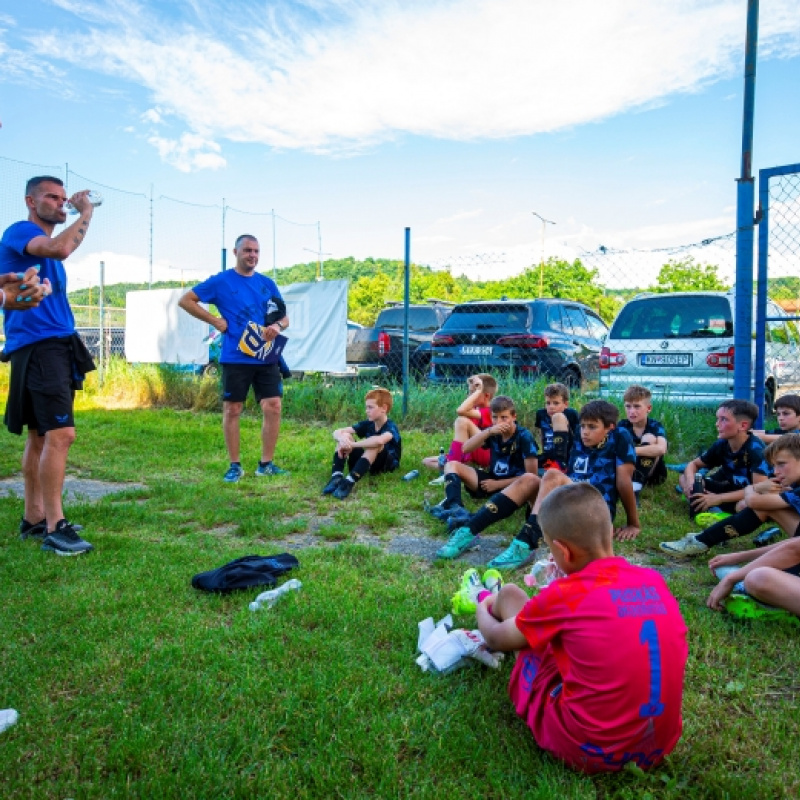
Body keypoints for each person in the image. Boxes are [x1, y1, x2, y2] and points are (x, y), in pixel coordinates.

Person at [475, 482, 688, 773]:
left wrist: (482, 606)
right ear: (610, 531)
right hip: (659, 745)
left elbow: (497, 639)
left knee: (513, 602)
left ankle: (492, 595)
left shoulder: (566, 595)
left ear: (562, 550)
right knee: (529, 610)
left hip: (589, 749)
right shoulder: (654, 581)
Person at [1, 176, 97, 556]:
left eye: (63, 199)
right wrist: (85, 211)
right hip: (41, 347)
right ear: (30, 200)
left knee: (40, 434)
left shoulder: (39, 254)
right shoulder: (22, 232)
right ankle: (57, 528)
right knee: (61, 434)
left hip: (47, 345)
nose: (60, 204)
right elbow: (60, 248)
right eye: (52, 198)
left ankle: (34, 518)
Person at [440, 399, 640, 567]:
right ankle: (469, 530)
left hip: (594, 510)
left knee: (552, 475)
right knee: (529, 479)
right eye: (584, 426)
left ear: (610, 428)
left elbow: (624, 482)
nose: (585, 432)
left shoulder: (620, 437)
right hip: (569, 504)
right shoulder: (580, 435)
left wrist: (633, 523)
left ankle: (526, 542)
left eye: (592, 427)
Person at [179, 235, 290, 482]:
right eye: (248, 250)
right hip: (235, 357)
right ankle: (234, 466)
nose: (253, 255)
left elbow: (285, 318)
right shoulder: (221, 281)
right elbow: (186, 300)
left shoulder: (267, 283)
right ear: (236, 252)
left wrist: (278, 327)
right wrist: (215, 321)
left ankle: (266, 464)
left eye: (257, 251)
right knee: (233, 409)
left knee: (273, 406)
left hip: (266, 355)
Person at [661, 433, 800, 558]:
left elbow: (753, 501)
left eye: (781, 464)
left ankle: (702, 541)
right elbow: (694, 465)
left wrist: (754, 487)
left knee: (762, 506)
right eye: (774, 466)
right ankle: (702, 540)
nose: (775, 472)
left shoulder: (753, 448)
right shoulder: (722, 444)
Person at [431, 395, 538, 558]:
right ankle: (456, 510)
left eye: (504, 417)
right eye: (495, 417)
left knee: (526, 480)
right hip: (490, 480)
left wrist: (498, 484)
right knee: (451, 465)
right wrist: (488, 432)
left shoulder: (524, 437)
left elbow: (532, 477)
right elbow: (465, 449)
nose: (499, 422)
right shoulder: (494, 432)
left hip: (513, 489)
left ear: (514, 417)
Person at [663, 401, 770, 554]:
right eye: (717, 419)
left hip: (748, 495)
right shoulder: (722, 444)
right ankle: (713, 510)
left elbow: (759, 490)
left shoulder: (755, 450)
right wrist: (691, 484)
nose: (717, 424)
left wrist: (718, 498)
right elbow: (693, 465)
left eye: (724, 420)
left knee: (744, 505)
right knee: (685, 478)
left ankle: (714, 510)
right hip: (729, 489)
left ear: (743, 426)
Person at [322, 387, 401, 499]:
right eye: (366, 407)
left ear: (383, 408)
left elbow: (379, 440)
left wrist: (351, 445)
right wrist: (342, 440)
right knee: (345, 436)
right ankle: (336, 476)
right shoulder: (369, 423)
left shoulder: (391, 427)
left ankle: (349, 482)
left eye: (370, 407)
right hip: (368, 461)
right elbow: (337, 431)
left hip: (385, 465)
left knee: (375, 444)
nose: (366, 411)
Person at [421, 373, 496, 478]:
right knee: (427, 461)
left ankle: (452, 470)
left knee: (461, 421)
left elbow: (460, 410)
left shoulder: (490, 411)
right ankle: (459, 466)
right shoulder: (474, 410)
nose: (469, 396)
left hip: (487, 452)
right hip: (472, 451)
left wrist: (478, 390)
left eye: (472, 393)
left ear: (486, 396)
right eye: (469, 392)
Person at [618, 384, 668, 493]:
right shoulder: (622, 425)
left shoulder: (654, 425)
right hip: (627, 473)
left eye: (637, 406)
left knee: (649, 438)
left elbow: (661, 449)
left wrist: (631, 450)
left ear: (648, 408)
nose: (631, 411)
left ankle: (635, 487)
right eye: (628, 406)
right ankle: (632, 484)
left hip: (653, 475)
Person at [534, 382, 579, 473]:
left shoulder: (570, 414)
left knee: (558, 417)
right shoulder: (541, 414)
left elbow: (576, 436)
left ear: (565, 404)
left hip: (566, 455)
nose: (551, 407)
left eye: (556, 403)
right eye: (548, 403)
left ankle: (561, 463)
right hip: (548, 455)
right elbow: (542, 435)